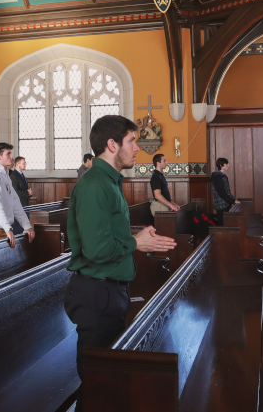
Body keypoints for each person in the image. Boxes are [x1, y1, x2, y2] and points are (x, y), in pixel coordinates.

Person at [63, 115, 176, 392]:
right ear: (112, 145)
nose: (137, 147)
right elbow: (97, 249)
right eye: (132, 141)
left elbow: (108, 235)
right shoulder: (94, 184)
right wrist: (136, 243)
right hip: (97, 293)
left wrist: (137, 238)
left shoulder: (109, 181)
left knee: (108, 376)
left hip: (107, 290)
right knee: (99, 384)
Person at [0, 143, 33, 246]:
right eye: (8, 154)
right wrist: (7, 228)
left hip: (3, 227)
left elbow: (15, 202)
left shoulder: (5, 174)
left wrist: (27, 226)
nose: (12, 156)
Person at [210, 158, 239, 225]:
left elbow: (227, 192)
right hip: (221, 205)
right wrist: (233, 201)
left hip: (224, 204)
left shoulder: (221, 176)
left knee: (224, 224)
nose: (228, 165)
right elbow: (222, 193)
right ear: (221, 165)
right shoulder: (218, 177)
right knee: (222, 226)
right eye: (226, 164)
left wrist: (234, 200)